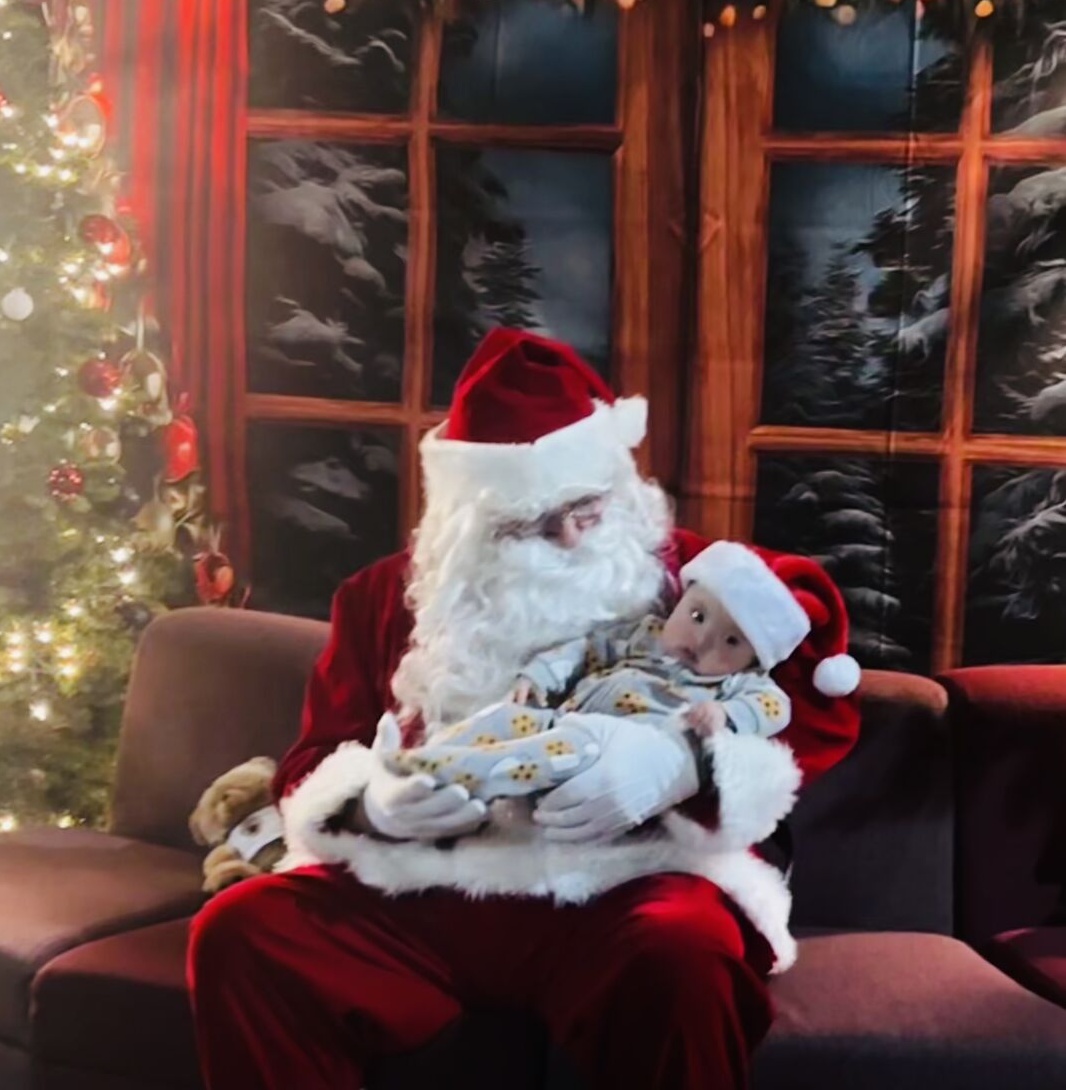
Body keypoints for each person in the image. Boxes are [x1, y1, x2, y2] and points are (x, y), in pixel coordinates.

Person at [187, 328, 862, 1090]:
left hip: (620, 886)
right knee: (242, 933)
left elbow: (818, 690)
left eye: (586, 509)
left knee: (682, 950)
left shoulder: (696, 588)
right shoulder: (382, 598)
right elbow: (312, 764)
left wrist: (678, 766)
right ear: (468, 517)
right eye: (528, 521)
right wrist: (374, 808)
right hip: (424, 891)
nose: (568, 537)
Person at [382, 539, 859, 802]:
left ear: (753, 660)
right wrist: (538, 677)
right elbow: (583, 649)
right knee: (505, 720)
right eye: (697, 616)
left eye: (732, 642)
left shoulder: (739, 684)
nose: (703, 641)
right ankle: (423, 757)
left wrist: (725, 716)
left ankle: (455, 778)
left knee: (542, 754)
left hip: (613, 749)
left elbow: (774, 707)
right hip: (564, 716)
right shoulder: (642, 635)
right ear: (680, 601)